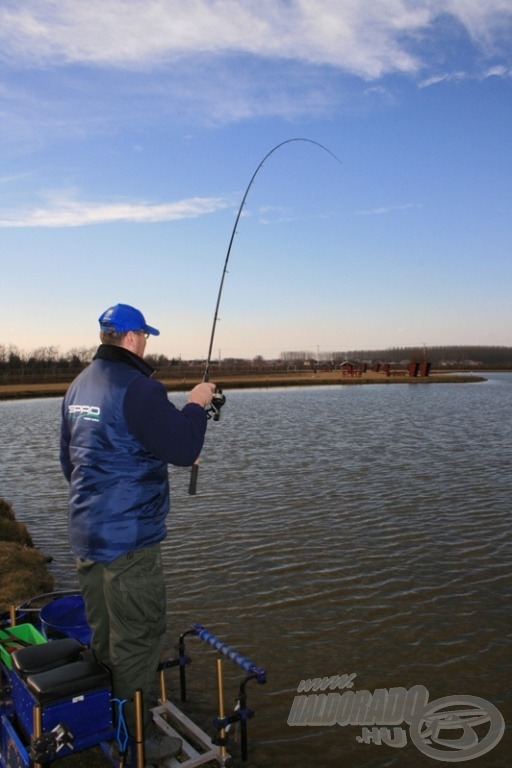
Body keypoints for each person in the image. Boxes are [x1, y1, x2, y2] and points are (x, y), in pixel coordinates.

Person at [60, 303, 215, 764]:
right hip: (129, 547)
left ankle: (113, 722)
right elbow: (185, 447)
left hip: (87, 538)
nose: (146, 342)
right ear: (130, 337)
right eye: (145, 335)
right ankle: (138, 740)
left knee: (106, 639)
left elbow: (73, 465)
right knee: (138, 643)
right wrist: (197, 403)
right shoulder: (139, 389)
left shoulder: (77, 386)